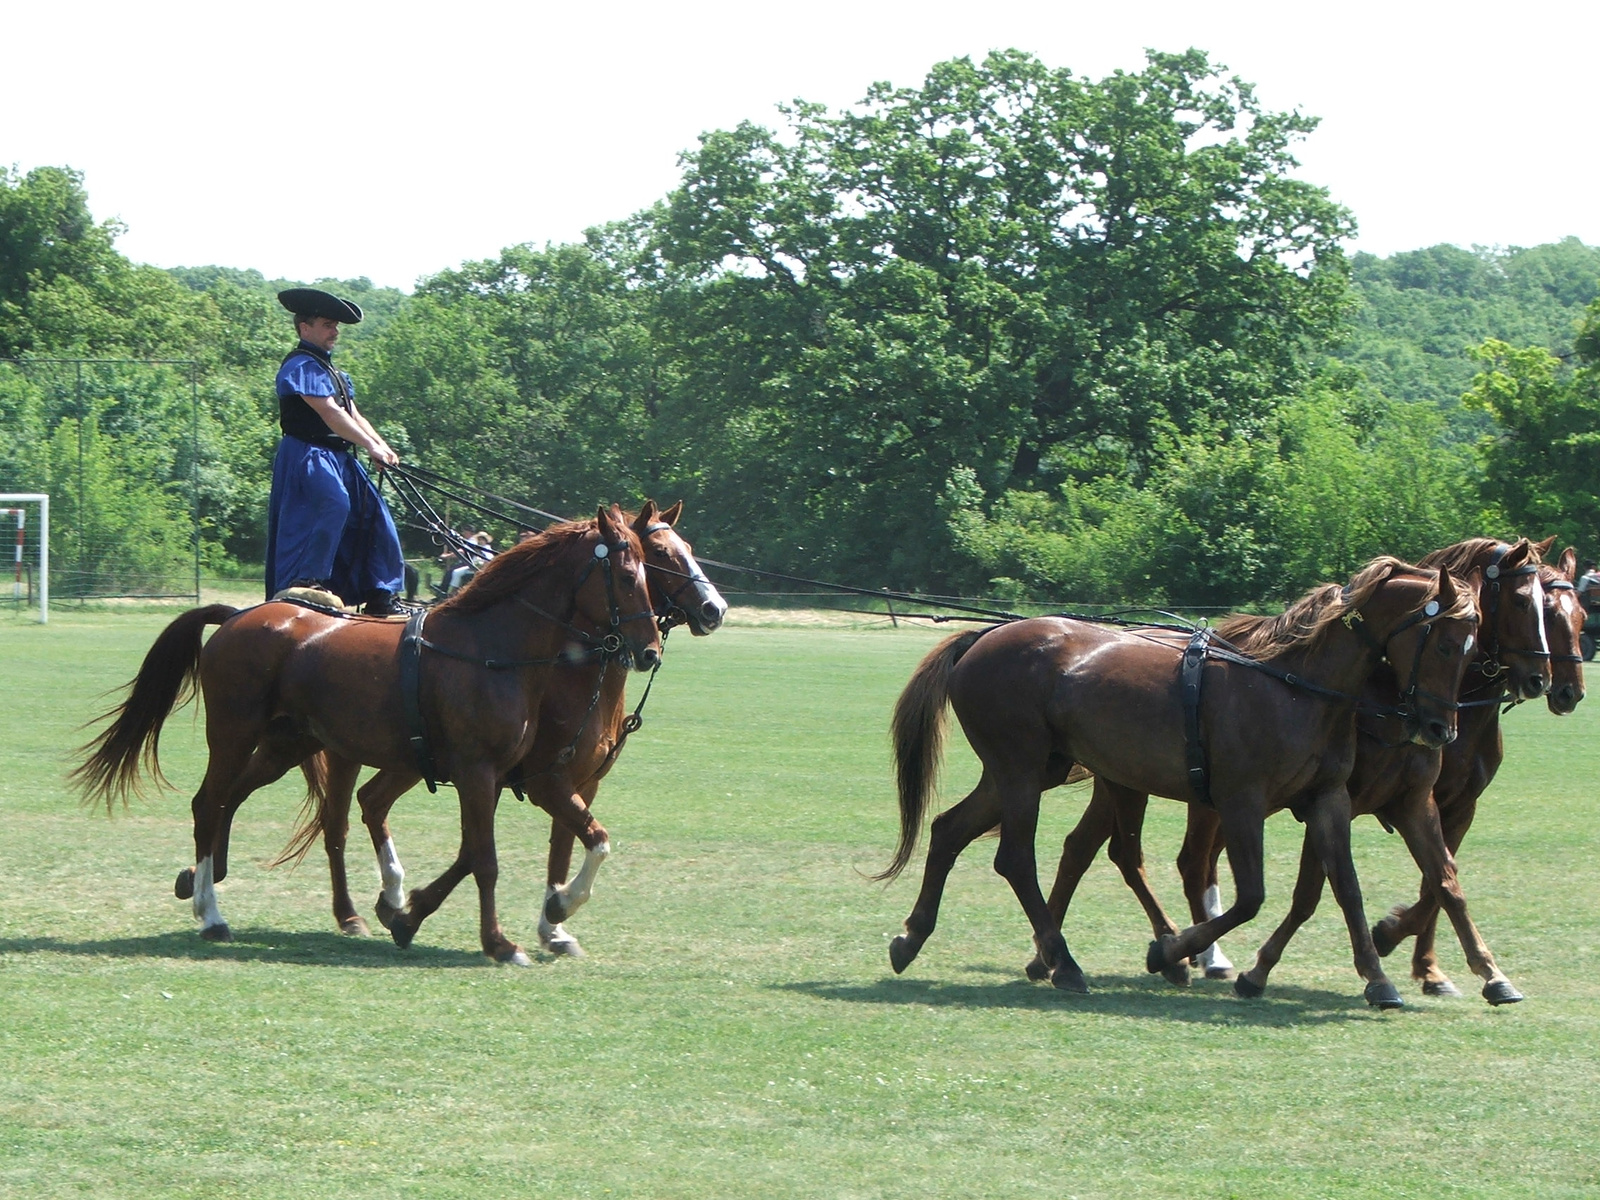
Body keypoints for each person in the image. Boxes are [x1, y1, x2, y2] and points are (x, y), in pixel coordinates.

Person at [265, 287, 407, 616]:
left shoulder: (334, 373)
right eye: (328, 324)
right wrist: (369, 444)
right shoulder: (300, 366)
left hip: (339, 458)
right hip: (308, 456)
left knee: (373, 513)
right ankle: (305, 579)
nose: (335, 331)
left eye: (335, 326)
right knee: (333, 503)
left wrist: (380, 446)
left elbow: (353, 414)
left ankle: (380, 593)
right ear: (305, 327)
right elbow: (330, 413)